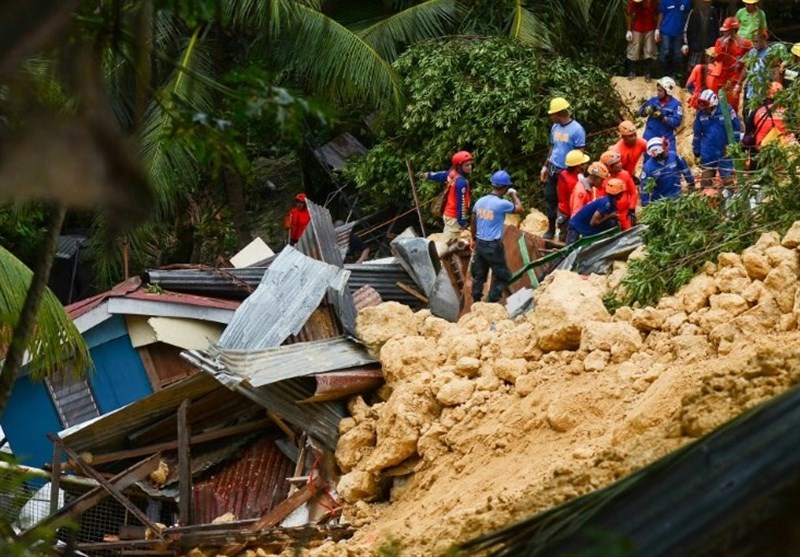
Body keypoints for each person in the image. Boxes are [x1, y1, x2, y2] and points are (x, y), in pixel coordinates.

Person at [469, 170, 523, 304]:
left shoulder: (480, 201)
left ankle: (476, 300)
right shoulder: (501, 204)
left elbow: (473, 220)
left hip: (480, 243)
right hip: (493, 245)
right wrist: (513, 194)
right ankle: (491, 302)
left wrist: (474, 238)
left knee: (479, 275)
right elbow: (520, 208)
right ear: (505, 188)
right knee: (504, 275)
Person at [540, 97, 586, 240]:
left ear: (559, 113)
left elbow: (580, 153)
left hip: (567, 172)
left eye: (552, 114)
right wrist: (545, 166)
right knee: (550, 198)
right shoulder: (555, 127)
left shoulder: (577, 130)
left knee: (566, 203)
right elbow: (553, 147)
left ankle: (565, 232)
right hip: (553, 169)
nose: (550, 117)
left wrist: (576, 173)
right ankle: (551, 228)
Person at [422, 150, 473, 246]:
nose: (470, 167)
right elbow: (460, 203)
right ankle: (437, 258)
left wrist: (428, 175)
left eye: (470, 164)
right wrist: (462, 221)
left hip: (448, 214)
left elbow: (440, 175)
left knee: (452, 241)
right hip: (454, 217)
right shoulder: (461, 182)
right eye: (467, 165)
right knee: (446, 246)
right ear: (459, 166)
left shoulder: (452, 173)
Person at [693, 89, 742, 189]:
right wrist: (696, 152)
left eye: (707, 107)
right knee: (705, 182)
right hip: (708, 154)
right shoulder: (700, 114)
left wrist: (734, 146)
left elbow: (736, 129)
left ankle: (731, 200)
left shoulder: (726, 110)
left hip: (725, 152)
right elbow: (697, 135)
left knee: (729, 182)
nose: (705, 110)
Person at [566, 179, 626, 245]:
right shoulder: (606, 203)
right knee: (570, 249)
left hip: (583, 227)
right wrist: (610, 216)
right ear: (619, 194)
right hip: (577, 227)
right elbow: (593, 222)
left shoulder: (609, 202)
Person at [641, 136, 695, 205]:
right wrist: (645, 203)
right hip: (660, 202)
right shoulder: (648, 168)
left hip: (677, 196)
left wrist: (691, 182)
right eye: (664, 150)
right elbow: (645, 188)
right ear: (657, 154)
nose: (667, 150)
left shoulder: (674, 156)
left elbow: (684, 168)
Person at [715, 17, 753, 111]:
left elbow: (754, 52)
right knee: (718, 103)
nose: (724, 33)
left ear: (733, 31)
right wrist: (723, 47)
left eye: (726, 31)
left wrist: (746, 60)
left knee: (732, 105)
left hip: (735, 78)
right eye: (723, 31)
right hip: (721, 77)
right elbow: (717, 58)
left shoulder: (744, 43)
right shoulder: (719, 41)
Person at [638, 77, 684, 150]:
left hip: (666, 138)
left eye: (660, 90)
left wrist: (662, 118)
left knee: (670, 158)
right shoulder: (653, 100)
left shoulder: (676, 105)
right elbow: (640, 112)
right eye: (657, 90)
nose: (658, 92)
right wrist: (645, 111)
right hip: (650, 136)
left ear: (667, 91)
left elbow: (677, 122)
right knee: (649, 159)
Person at [556, 150, 590, 241]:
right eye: (583, 164)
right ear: (578, 167)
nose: (585, 165)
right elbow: (576, 203)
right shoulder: (574, 183)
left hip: (562, 208)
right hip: (568, 212)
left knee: (564, 233)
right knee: (567, 237)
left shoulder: (563, 174)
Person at [753, 82, 796, 150]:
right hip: (783, 149)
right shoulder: (787, 112)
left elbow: (750, 131)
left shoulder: (757, 111)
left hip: (762, 148)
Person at [682, 0, 720, 74]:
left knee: (708, 67)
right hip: (696, 46)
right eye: (704, 2)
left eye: (707, 2)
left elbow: (716, 29)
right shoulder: (694, 12)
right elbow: (687, 29)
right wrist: (686, 43)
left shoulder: (713, 11)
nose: (705, 4)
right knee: (693, 67)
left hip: (709, 46)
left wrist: (716, 45)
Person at [656, 0, 691, 79]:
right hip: (666, 31)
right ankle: (662, 74)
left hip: (679, 33)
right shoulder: (665, 1)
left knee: (677, 55)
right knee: (665, 53)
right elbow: (661, 14)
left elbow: (687, 16)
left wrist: (686, 34)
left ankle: (674, 75)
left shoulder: (686, 1)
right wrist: (657, 29)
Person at [626, 0, 659, 79]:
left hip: (650, 28)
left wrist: (657, 29)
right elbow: (629, 14)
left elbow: (657, 14)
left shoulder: (654, 2)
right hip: (637, 28)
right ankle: (632, 71)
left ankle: (648, 72)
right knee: (634, 50)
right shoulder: (634, 2)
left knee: (650, 50)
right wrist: (629, 30)